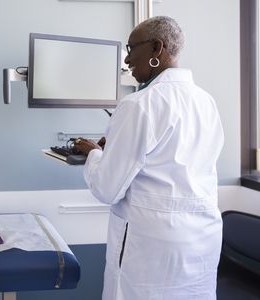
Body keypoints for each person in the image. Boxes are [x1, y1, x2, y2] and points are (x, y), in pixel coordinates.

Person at [74, 16, 224, 300]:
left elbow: (107, 188)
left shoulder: (139, 105)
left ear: (157, 48)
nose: (127, 60)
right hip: (201, 241)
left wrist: (93, 152)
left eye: (131, 49)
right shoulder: (206, 101)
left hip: (150, 246)